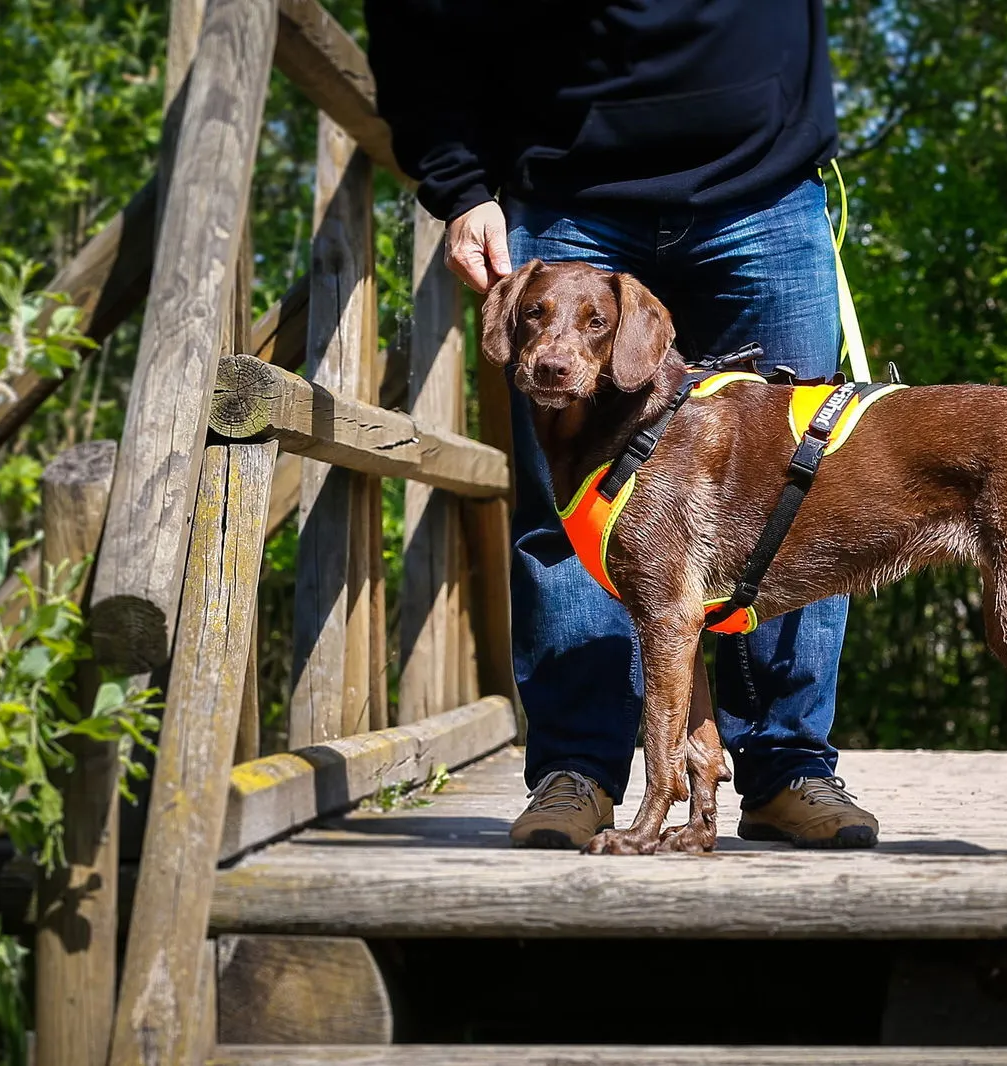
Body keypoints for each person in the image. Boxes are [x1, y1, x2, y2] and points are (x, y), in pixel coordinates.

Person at [366, 0, 879, 849]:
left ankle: (789, 767)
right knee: (571, 514)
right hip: (568, 200)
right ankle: (579, 771)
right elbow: (415, 25)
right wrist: (457, 185)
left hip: (766, 193)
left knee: (795, 496)